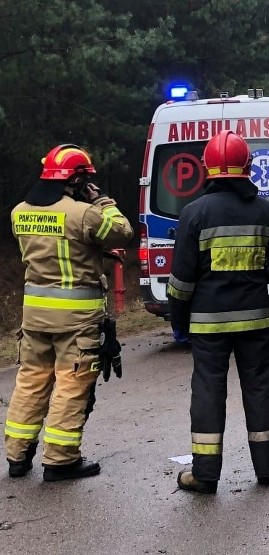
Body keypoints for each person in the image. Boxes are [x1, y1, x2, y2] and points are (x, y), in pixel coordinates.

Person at [167, 131, 269, 494]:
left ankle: (205, 475)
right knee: (259, 390)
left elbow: (181, 281)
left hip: (208, 326)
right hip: (256, 320)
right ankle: (268, 470)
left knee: (208, 393)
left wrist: (180, 321)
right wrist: (260, 276)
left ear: (208, 168)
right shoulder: (266, 211)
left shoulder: (193, 213)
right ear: (247, 168)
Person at [6, 144, 133, 481]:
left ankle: (17, 457)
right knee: (71, 385)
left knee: (31, 381)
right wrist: (103, 201)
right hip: (76, 320)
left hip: (34, 316)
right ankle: (60, 460)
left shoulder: (19, 212)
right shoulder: (83, 214)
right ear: (77, 180)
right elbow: (123, 231)